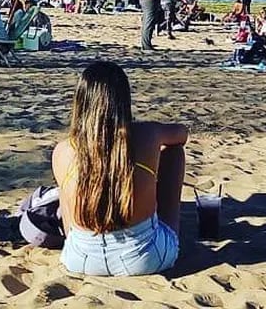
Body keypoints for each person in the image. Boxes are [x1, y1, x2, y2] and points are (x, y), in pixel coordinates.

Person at [52, 61, 187, 276]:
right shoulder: (147, 134)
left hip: (80, 259)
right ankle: (167, 226)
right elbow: (182, 134)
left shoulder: (64, 149)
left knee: (67, 183)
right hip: (144, 257)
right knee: (174, 152)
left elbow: (68, 216)